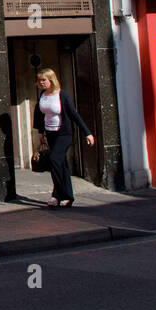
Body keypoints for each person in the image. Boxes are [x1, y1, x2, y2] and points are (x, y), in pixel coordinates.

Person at [33, 67, 94, 208]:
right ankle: (64, 196)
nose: (41, 83)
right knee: (61, 164)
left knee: (54, 159)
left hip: (64, 134)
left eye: (44, 80)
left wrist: (87, 133)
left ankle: (59, 194)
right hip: (50, 133)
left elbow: (74, 115)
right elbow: (39, 114)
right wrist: (41, 132)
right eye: (39, 80)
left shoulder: (62, 96)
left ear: (51, 80)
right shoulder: (43, 95)